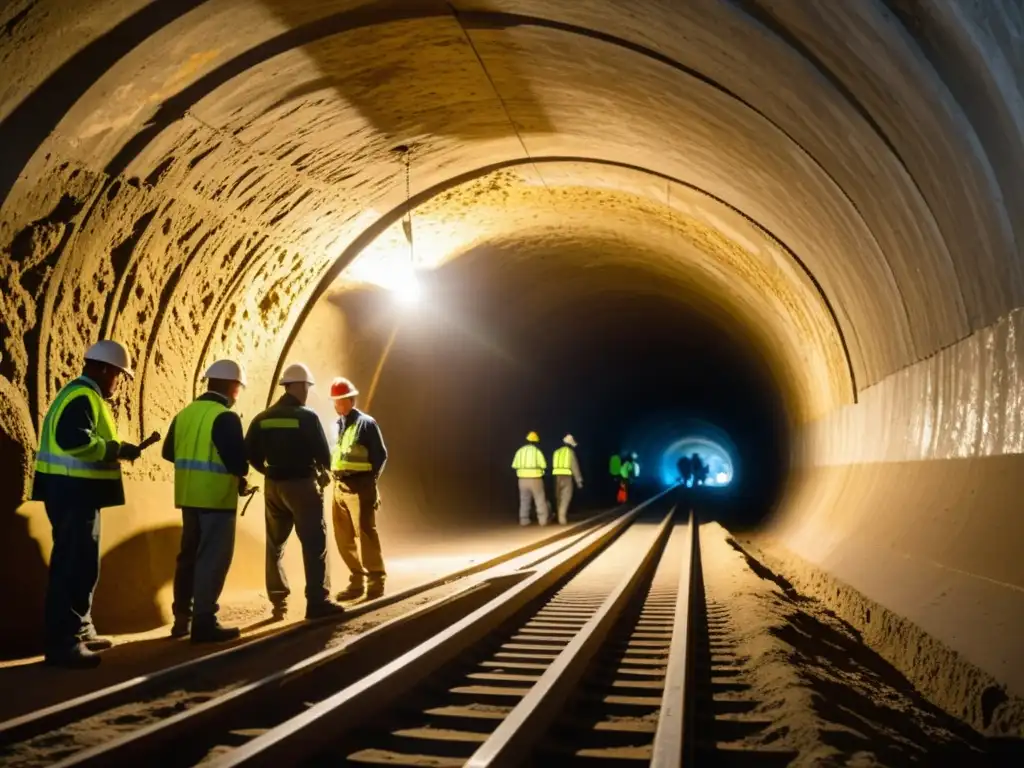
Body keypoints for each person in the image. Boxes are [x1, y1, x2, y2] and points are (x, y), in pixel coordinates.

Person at [32, 340, 141, 667]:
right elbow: (75, 440)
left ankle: (80, 629)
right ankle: (62, 643)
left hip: (76, 493)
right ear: (104, 368)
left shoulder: (83, 396)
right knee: (72, 566)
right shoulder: (82, 396)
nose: (118, 381)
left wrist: (118, 447)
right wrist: (114, 450)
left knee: (84, 564)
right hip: (73, 493)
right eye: (118, 374)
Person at [245, 363, 345, 622]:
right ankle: (317, 601)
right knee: (314, 543)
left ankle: (279, 602)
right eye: (307, 387)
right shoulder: (307, 416)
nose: (308, 392)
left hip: (273, 486)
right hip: (301, 485)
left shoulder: (262, 418)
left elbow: (250, 454)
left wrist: (267, 472)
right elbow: (324, 455)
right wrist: (323, 471)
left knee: (275, 545)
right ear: (300, 386)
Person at [163, 359, 250, 643]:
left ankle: (181, 620)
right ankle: (204, 621)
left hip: (188, 496)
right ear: (233, 387)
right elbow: (238, 461)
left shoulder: (185, 414)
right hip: (216, 498)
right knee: (212, 559)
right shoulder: (225, 417)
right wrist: (241, 474)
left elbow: (168, 452)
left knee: (187, 557)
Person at [329, 376, 388, 601]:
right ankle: (356, 580)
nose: (340, 405)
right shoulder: (336, 425)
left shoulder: (366, 424)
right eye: (336, 401)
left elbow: (380, 455)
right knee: (344, 537)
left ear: (352, 400)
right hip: (339, 487)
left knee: (365, 533)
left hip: (360, 485)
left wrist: (370, 482)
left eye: (344, 400)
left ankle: (375, 579)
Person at [512, 432, 550, 526]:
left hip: (522, 479)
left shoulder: (520, 451)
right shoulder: (537, 452)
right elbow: (543, 465)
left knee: (524, 500)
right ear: (536, 442)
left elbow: (514, 465)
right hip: (535, 478)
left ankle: (524, 520)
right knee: (540, 499)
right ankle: (543, 520)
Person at [551, 434, 583, 525]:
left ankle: (559, 517)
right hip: (567, 477)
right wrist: (579, 481)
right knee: (566, 498)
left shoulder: (556, 452)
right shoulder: (570, 453)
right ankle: (562, 518)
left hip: (556, 477)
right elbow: (574, 467)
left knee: (558, 498)